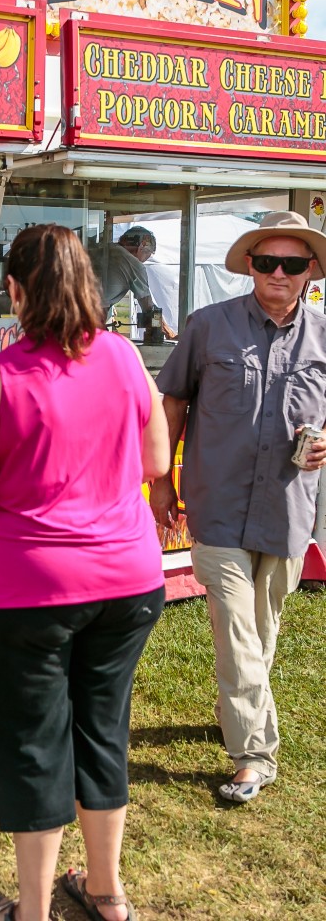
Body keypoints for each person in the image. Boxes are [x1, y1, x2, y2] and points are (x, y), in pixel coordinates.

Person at [0, 224, 169, 921]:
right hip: (127, 582)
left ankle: (34, 913)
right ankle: (106, 891)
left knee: (34, 745)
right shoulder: (127, 358)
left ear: (14, 291)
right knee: (103, 729)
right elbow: (154, 461)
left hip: (25, 591)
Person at [150, 210, 326, 804]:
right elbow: (171, 405)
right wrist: (160, 483)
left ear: (310, 272)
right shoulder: (208, 326)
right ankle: (253, 752)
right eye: (267, 261)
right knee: (234, 622)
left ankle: (237, 712)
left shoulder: (325, 334)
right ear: (249, 266)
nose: (279, 272)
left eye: (293, 263)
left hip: (288, 507)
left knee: (261, 629)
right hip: (217, 503)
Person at [91, 226, 176, 340]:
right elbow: (149, 308)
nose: (145, 260)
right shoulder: (134, 264)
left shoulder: (104, 249)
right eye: (148, 254)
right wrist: (168, 333)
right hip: (91, 319)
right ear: (142, 245)